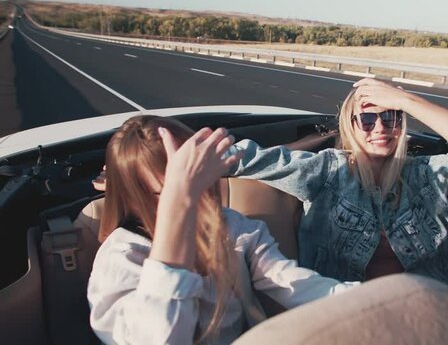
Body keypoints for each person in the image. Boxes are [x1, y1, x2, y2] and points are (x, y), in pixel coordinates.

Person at [87, 115, 358, 345]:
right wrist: (180, 202)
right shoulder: (121, 258)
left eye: (205, 179)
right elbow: (162, 337)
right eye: (179, 189)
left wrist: (369, 301)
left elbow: (291, 282)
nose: (202, 197)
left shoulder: (232, 227)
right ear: (134, 197)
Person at [227, 78, 448, 286]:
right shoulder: (328, 172)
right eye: (367, 120)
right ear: (351, 126)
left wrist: (405, 100)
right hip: (349, 313)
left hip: (424, 308)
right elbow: (249, 158)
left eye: (390, 116)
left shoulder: (427, 175)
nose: (380, 128)